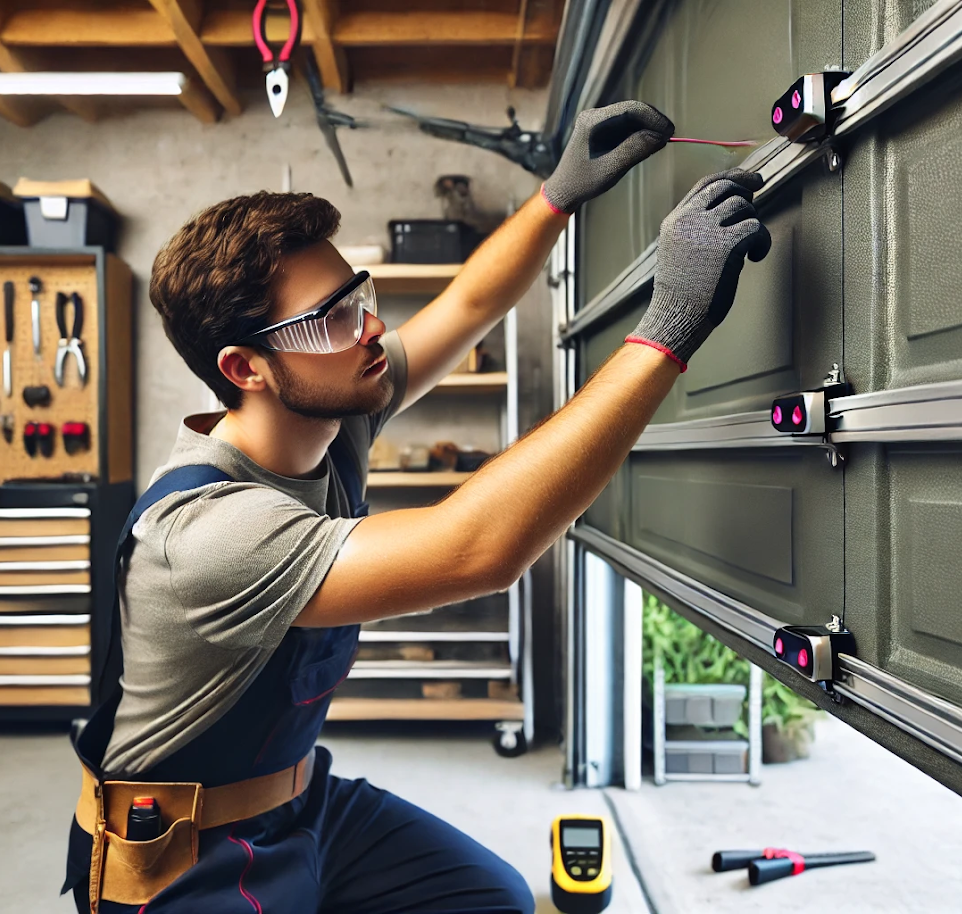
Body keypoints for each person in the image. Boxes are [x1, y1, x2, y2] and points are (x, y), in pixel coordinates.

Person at [64, 100, 772, 914]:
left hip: (300, 803)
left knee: (493, 899)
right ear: (245, 368)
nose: (369, 327)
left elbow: (467, 307)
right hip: (180, 858)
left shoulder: (334, 405)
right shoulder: (210, 533)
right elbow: (478, 549)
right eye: (330, 318)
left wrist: (558, 195)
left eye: (355, 294)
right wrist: (669, 328)